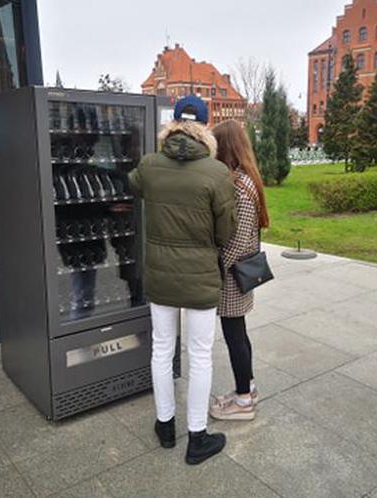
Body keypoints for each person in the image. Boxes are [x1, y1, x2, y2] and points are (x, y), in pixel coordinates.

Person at [128, 96, 237, 464]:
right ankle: (196, 438)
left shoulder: (149, 165)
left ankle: (164, 426)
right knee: (200, 355)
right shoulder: (217, 173)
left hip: (159, 273)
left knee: (162, 348)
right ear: (205, 127)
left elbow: (134, 185)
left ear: (172, 124)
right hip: (200, 277)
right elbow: (226, 232)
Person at [208, 119, 270, 421]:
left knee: (235, 336)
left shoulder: (240, 188)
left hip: (232, 277)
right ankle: (248, 387)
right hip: (237, 273)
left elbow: (238, 239)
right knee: (239, 334)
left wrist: (215, 269)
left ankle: (244, 400)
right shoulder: (245, 179)